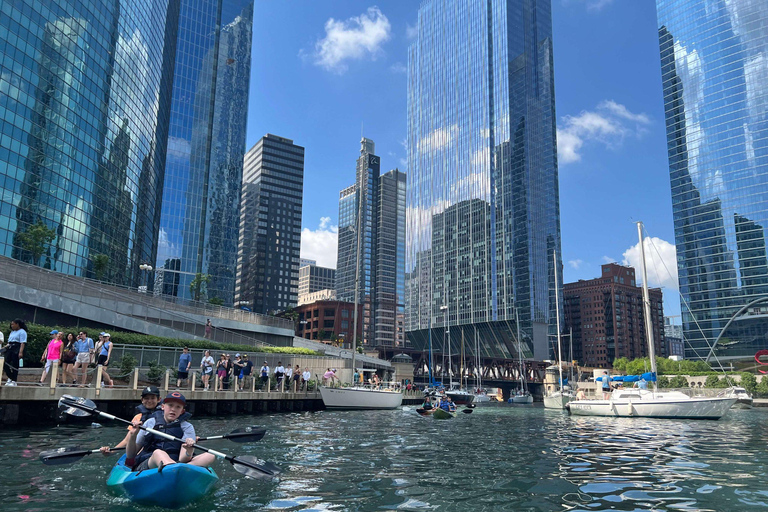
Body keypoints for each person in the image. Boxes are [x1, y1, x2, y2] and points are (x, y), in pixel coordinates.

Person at [125, 392, 215, 471]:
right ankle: (177, 469)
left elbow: (183, 459)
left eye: (178, 407)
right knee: (158, 452)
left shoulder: (187, 427)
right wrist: (132, 435)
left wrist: (189, 450)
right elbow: (131, 455)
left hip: (177, 462)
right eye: (170, 405)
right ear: (163, 407)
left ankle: (177, 469)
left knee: (210, 455)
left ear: (182, 411)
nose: (173, 409)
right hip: (150, 462)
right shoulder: (150, 423)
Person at [100, 386, 161, 455]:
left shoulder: (165, 415)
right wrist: (112, 451)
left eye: (153, 398)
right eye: (146, 398)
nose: (149, 401)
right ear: (142, 400)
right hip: (140, 449)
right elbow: (127, 440)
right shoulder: (138, 417)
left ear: (159, 399)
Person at [4, 318, 27, 386]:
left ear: (17, 324)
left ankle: (14, 380)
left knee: (15, 364)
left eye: (13, 324)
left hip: (17, 347)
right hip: (10, 347)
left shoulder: (22, 332)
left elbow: (22, 342)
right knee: (5, 363)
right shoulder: (12, 332)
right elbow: (9, 342)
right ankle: (10, 377)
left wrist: (20, 352)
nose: (12, 326)